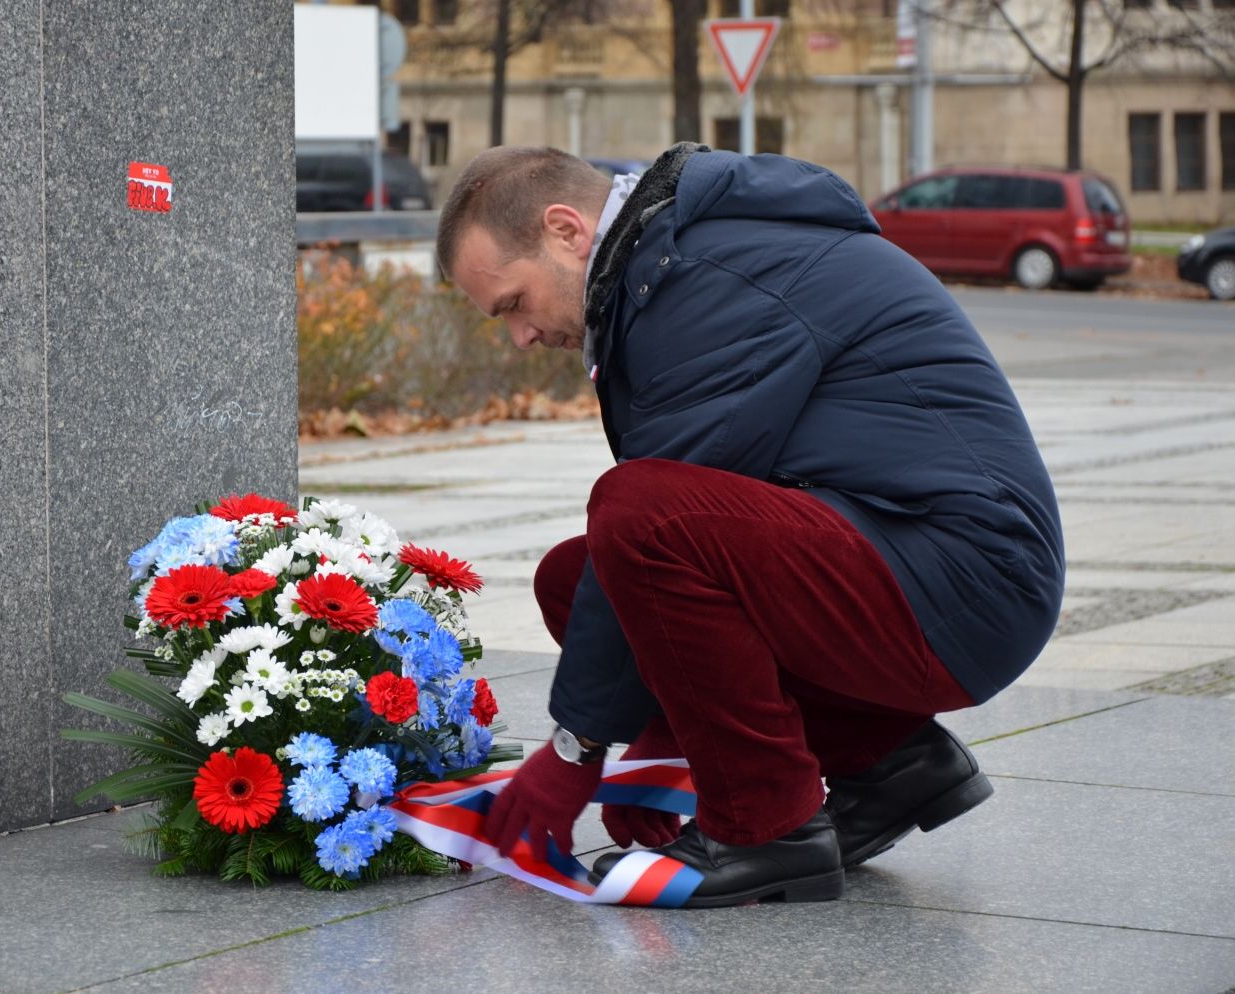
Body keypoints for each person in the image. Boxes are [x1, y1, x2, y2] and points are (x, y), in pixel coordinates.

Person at [434, 143, 1065, 908]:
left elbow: (660, 515)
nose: (521, 336)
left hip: (969, 581)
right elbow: (696, 532)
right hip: (909, 554)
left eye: (513, 304)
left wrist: (575, 752)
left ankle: (765, 828)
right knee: (579, 575)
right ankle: (890, 764)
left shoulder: (711, 275)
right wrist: (663, 748)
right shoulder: (669, 266)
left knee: (637, 518)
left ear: (566, 231)